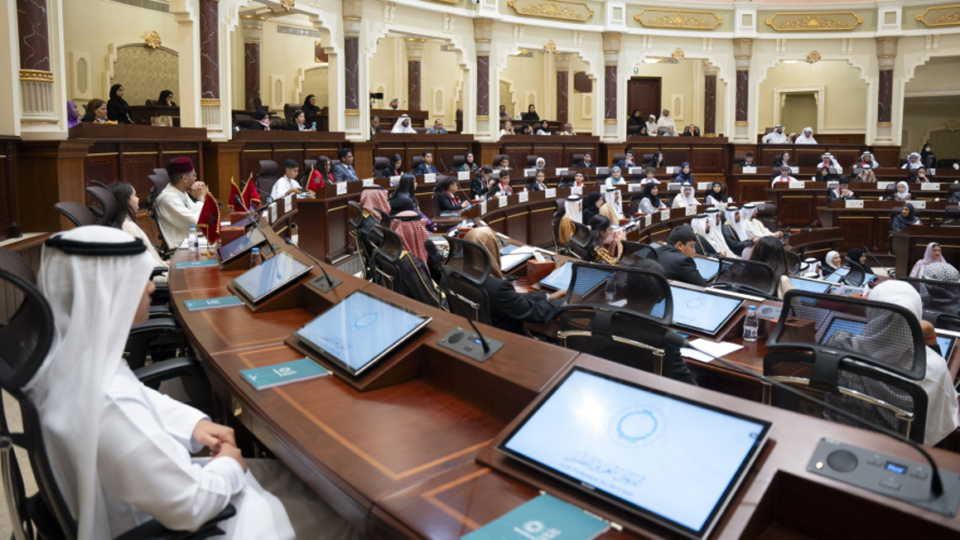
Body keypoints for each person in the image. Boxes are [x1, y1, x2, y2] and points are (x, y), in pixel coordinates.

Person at [29, 226, 361, 540]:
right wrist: (230, 464)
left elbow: (137, 396)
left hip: (158, 497)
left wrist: (194, 424)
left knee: (291, 480)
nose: (149, 287)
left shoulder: (67, 360)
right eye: (139, 279)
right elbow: (191, 505)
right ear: (108, 292)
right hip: (180, 525)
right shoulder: (105, 400)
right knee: (346, 523)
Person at [830, 281, 959, 446]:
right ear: (917, 312)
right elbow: (945, 423)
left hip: (842, 443)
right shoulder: (935, 368)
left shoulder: (840, 347)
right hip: (902, 456)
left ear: (872, 310)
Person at [457, 227, 565, 333]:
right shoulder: (498, 288)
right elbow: (535, 313)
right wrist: (563, 302)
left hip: (476, 334)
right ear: (490, 249)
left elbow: (511, 300)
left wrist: (547, 297)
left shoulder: (459, 276)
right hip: (507, 341)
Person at [109, 182, 167, 273]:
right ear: (126, 201)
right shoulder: (128, 228)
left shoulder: (125, 223)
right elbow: (144, 264)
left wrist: (165, 263)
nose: (138, 198)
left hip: (157, 268)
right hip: (154, 275)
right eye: (135, 195)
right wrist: (166, 266)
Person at [153, 157, 205, 249]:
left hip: (191, 244)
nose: (196, 178)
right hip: (181, 250)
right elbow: (198, 223)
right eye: (194, 175)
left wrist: (200, 199)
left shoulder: (181, 192)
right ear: (185, 178)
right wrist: (200, 199)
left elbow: (200, 218)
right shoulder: (168, 199)